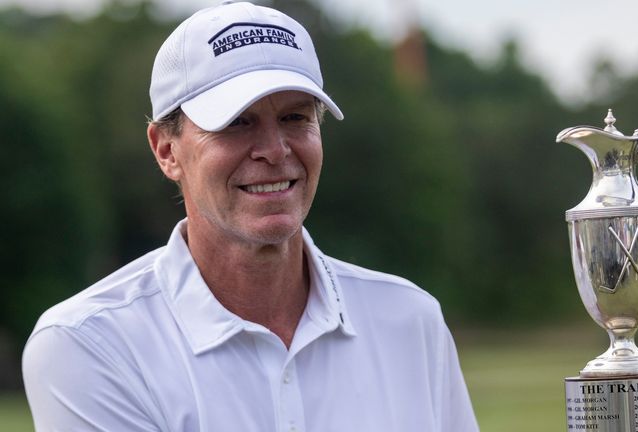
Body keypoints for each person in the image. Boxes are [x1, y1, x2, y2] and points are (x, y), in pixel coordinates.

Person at [21, 2, 479, 431]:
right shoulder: (88, 345)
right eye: (236, 122)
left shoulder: (410, 320)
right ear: (166, 150)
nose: (275, 151)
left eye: (296, 118)